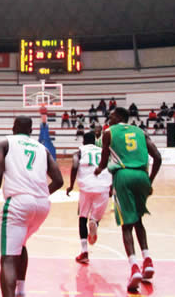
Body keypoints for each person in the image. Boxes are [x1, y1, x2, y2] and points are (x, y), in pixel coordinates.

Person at [0, 116, 64, 297]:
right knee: (21, 244)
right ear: (31, 130)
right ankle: (21, 291)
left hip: (18, 203)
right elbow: (59, 181)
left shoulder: (3, 143)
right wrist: (39, 196)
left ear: (13, 127)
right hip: (42, 205)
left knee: (8, 258)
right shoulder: (43, 149)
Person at [94, 107, 162, 292]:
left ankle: (134, 268)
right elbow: (157, 157)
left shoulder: (109, 132)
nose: (109, 118)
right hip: (141, 176)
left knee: (126, 224)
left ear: (119, 117)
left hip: (123, 176)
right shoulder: (140, 131)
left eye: (111, 116)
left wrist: (99, 169)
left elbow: (104, 157)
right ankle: (147, 261)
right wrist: (150, 180)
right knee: (138, 220)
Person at [67, 131, 112, 264]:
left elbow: (75, 165)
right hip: (103, 185)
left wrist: (71, 185)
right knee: (95, 217)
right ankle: (94, 223)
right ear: (95, 141)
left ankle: (84, 251)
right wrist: (112, 188)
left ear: (83, 142)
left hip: (87, 186)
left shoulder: (79, 151)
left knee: (82, 217)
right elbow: (112, 167)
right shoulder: (103, 151)